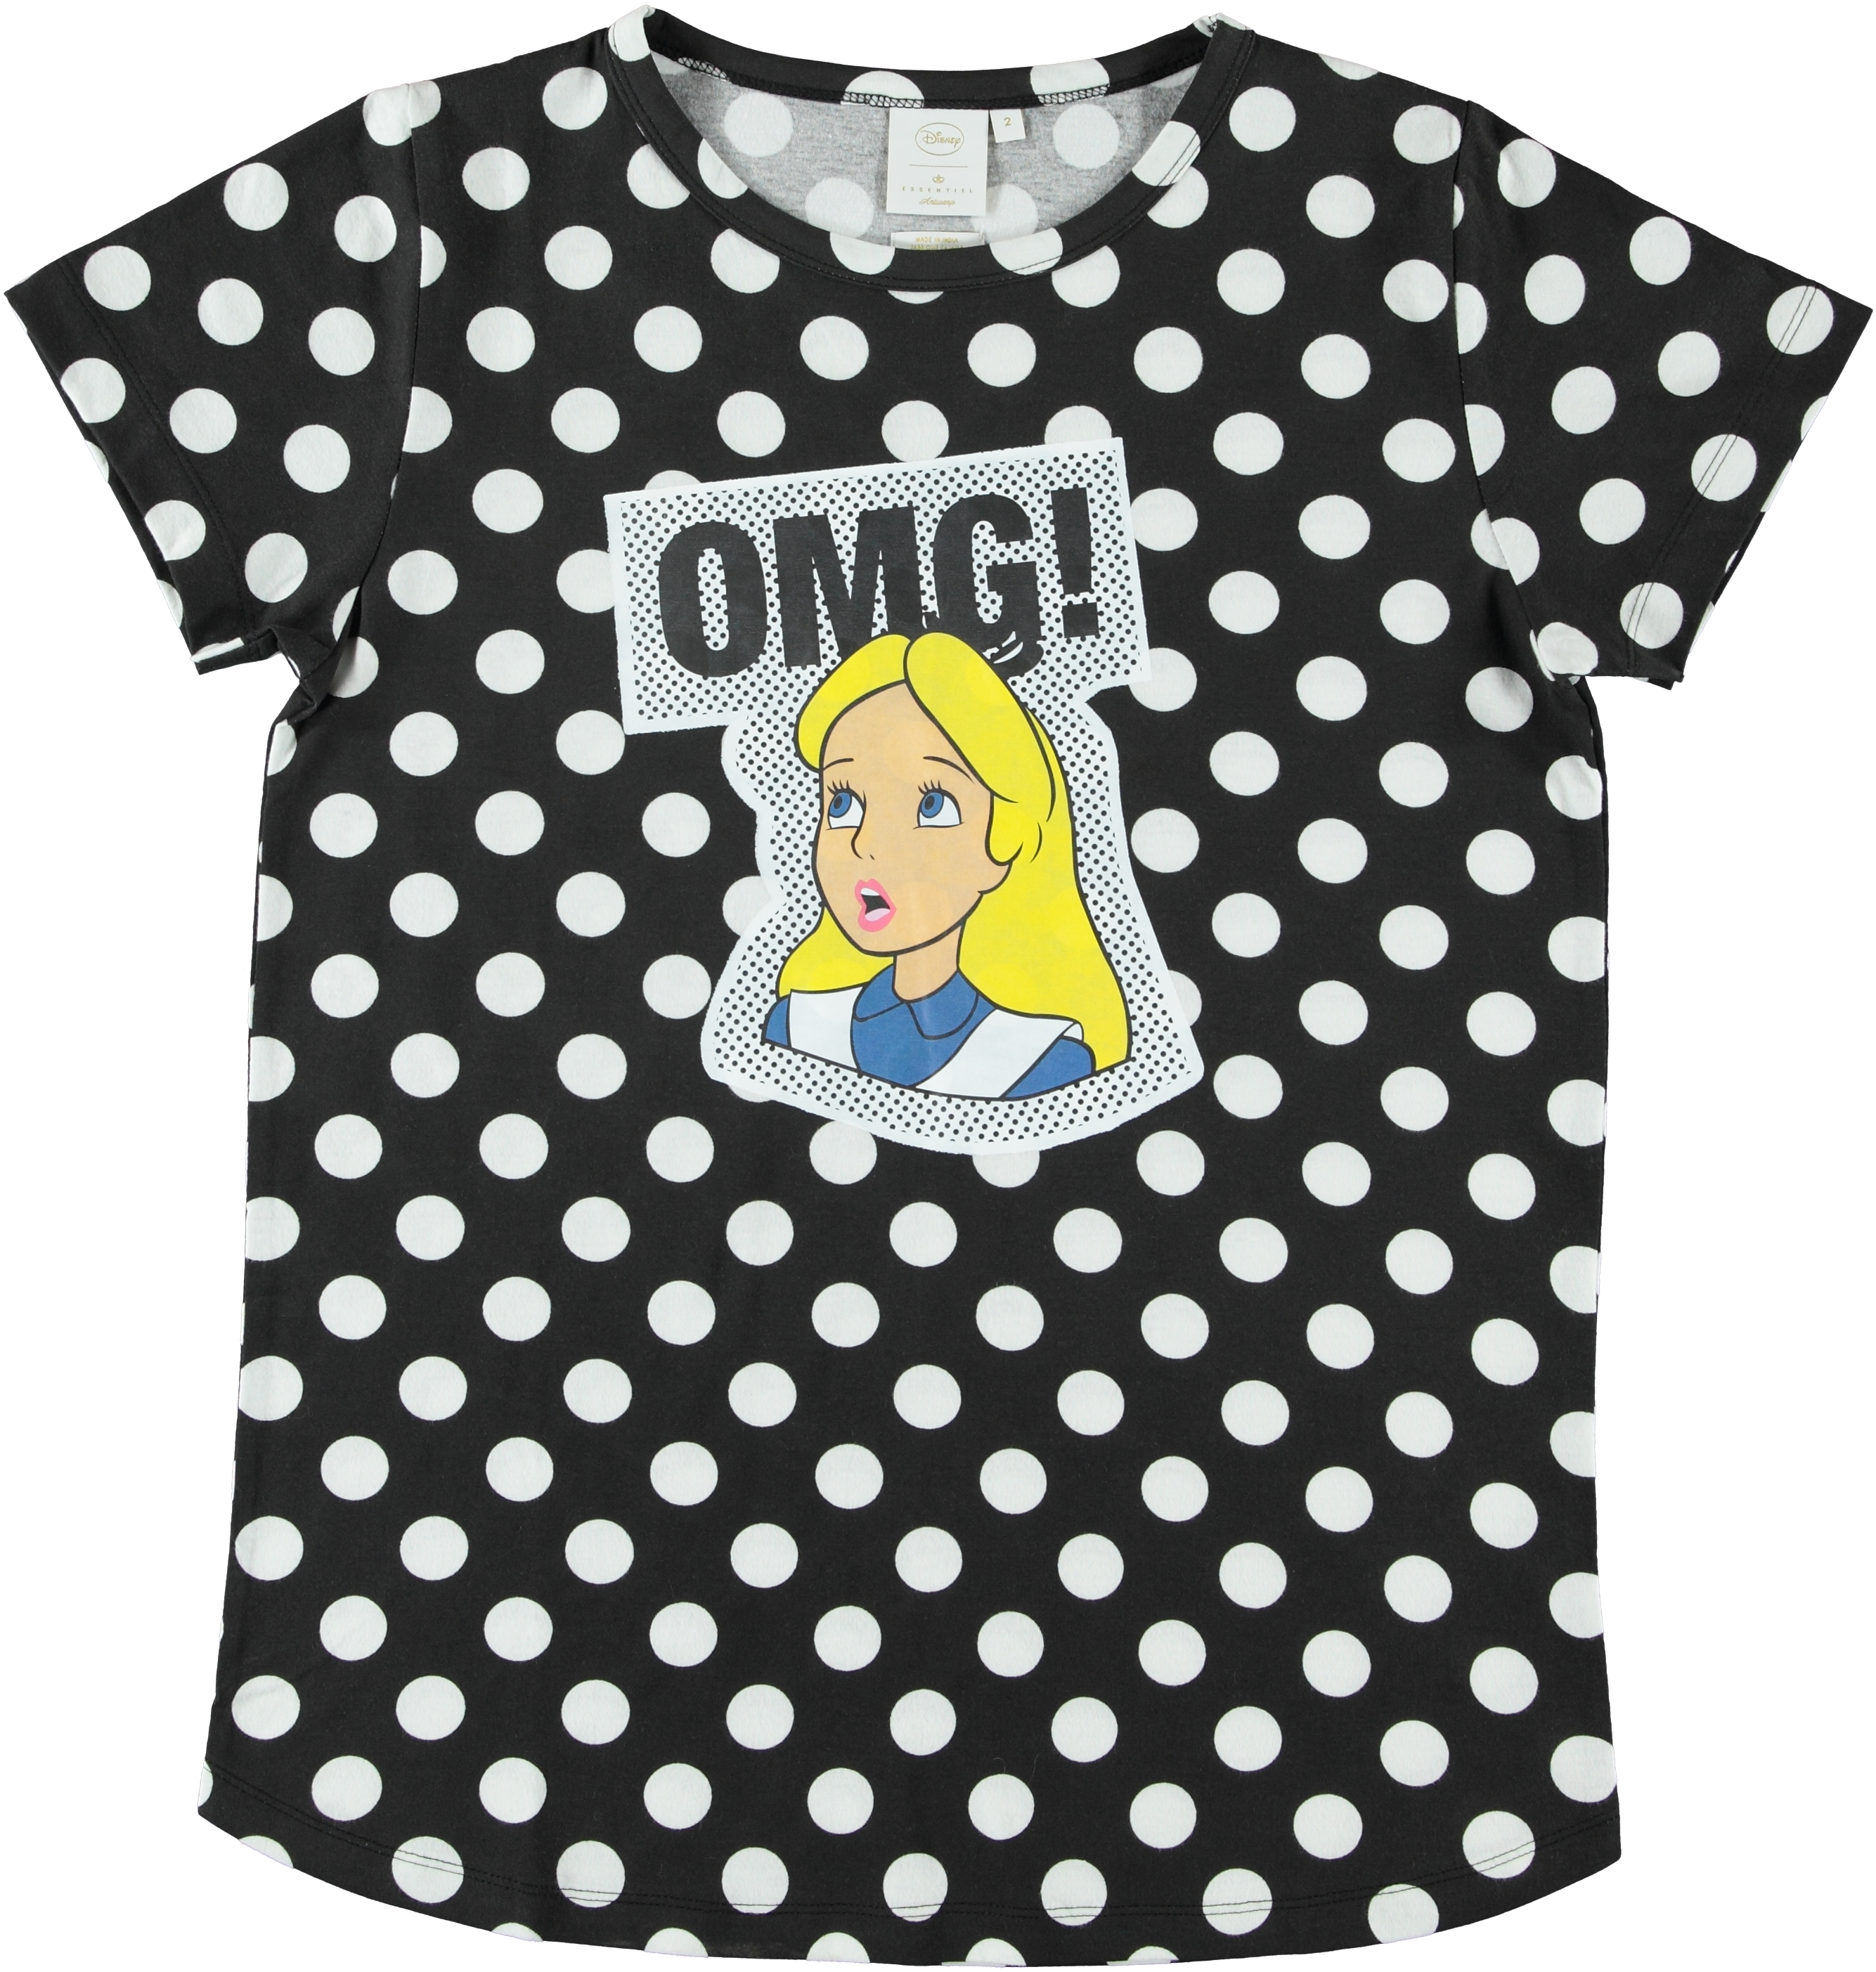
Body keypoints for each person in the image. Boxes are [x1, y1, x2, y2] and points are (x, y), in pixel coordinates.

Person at [763, 630, 1127, 1100]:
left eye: (932, 805)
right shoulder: (795, 1028)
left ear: (1004, 842)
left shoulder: (1044, 1061)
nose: (866, 844)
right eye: (843, 803)